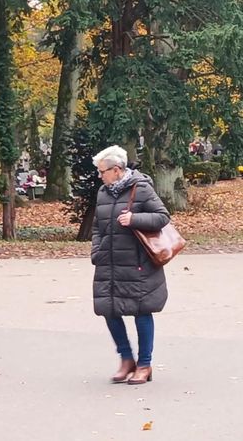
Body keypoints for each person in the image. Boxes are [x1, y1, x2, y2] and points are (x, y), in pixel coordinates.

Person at [91, 145, 170, 385]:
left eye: (102, 171)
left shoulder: (142, 188)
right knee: (109, 309)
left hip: (138, 264)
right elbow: (97, 226)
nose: (99, 175)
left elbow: (162, 217)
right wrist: (97, 250)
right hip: (109, 262)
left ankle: (144, 364)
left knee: (141, 311)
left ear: (116, 170)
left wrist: (134, 219)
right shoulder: (103, 192)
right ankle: (126, 359)